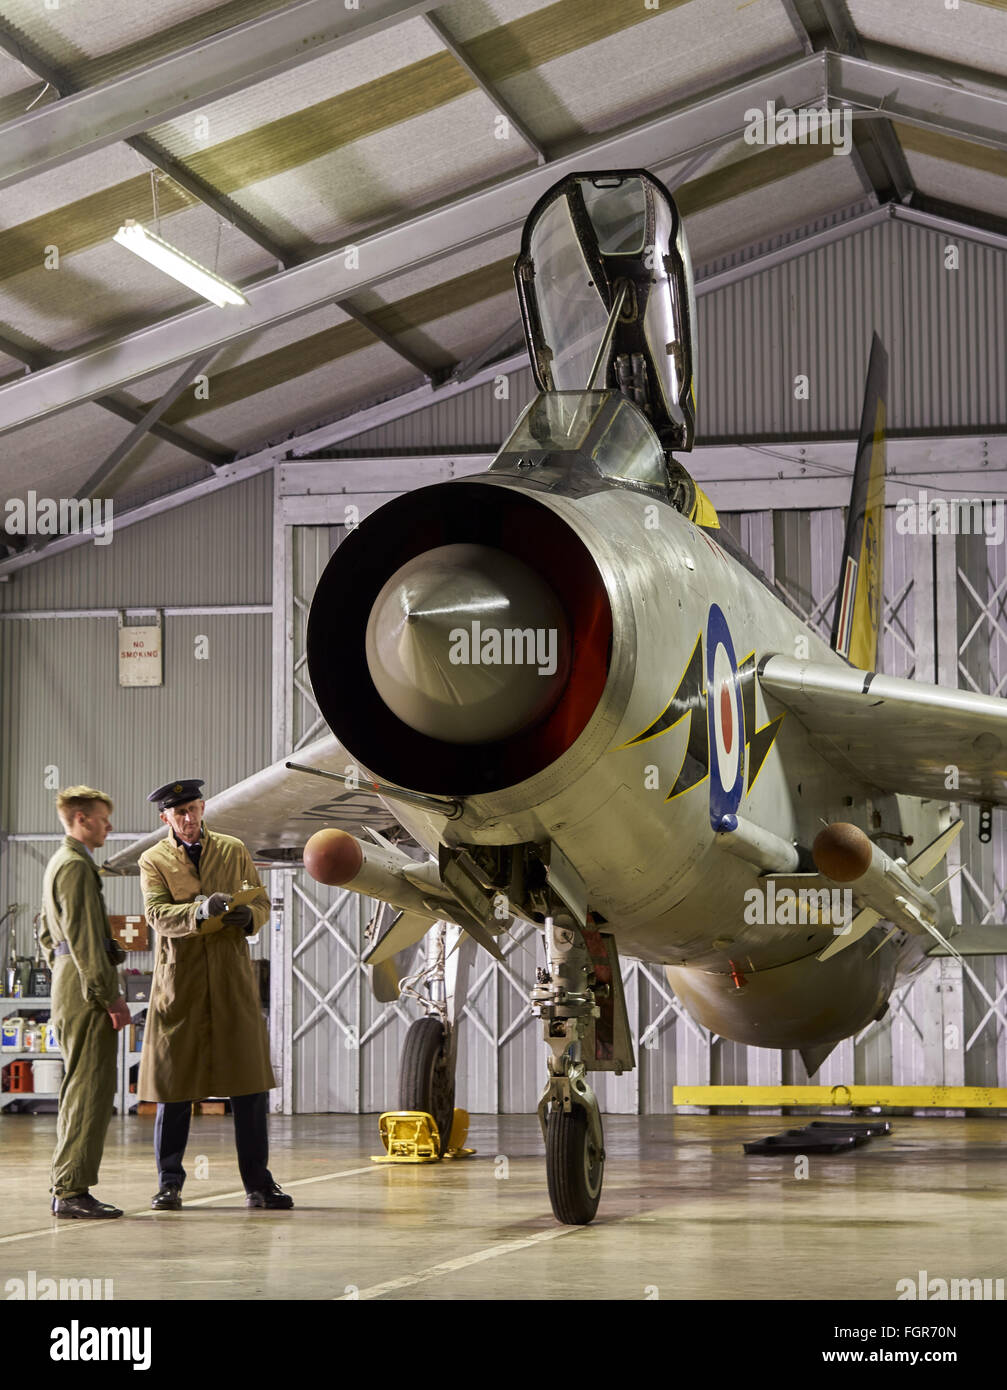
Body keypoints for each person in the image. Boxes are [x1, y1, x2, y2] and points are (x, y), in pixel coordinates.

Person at [137, 778, 292, 1211]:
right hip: (180, 983)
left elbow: (260, 903)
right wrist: (199, 911)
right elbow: (156, 914)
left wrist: (249, 916)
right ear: (164, 818)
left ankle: (258, 1184)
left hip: (229, 979)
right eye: (178, 813)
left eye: (193, 809)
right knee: (174, 1087)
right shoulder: (153, 860)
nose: (187, 820)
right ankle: (169, 1183)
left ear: (203, 808)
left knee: (249, 1085)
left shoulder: (233, 849)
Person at [40, 786, 130, 1219]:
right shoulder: (76, 866)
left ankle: (69, 1185)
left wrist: (65, 974)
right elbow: (85, 941)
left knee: (78, 1087)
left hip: (68, 983)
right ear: (80, 818)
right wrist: (109, 997)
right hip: (85, 990)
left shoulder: (59, 863)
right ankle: (72, 1191)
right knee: (89, 1089)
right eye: (101, 818)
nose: (108, 826)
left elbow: (46, 934)